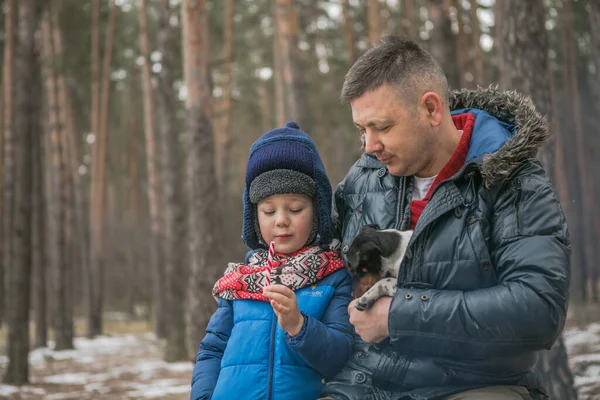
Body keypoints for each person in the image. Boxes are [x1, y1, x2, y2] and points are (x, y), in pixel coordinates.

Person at [319, 36, 570, 400]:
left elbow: (539, 309)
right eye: (362, 130)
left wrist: (400, 315)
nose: (369, 146)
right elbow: (315, 255)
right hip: (362, 386)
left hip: (473, 384)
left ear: (432, 110)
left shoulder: (512, 181)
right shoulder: (364, 177)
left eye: (383, 127)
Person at [189, 121, 354, 400]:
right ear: (254, 218)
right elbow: (212, 349)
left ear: (318, 212)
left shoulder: (334, 277)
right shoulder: (240, 282)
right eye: (268, 211)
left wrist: (298, 325)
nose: (281, 220)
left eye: (295, 208)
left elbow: (340, 355)